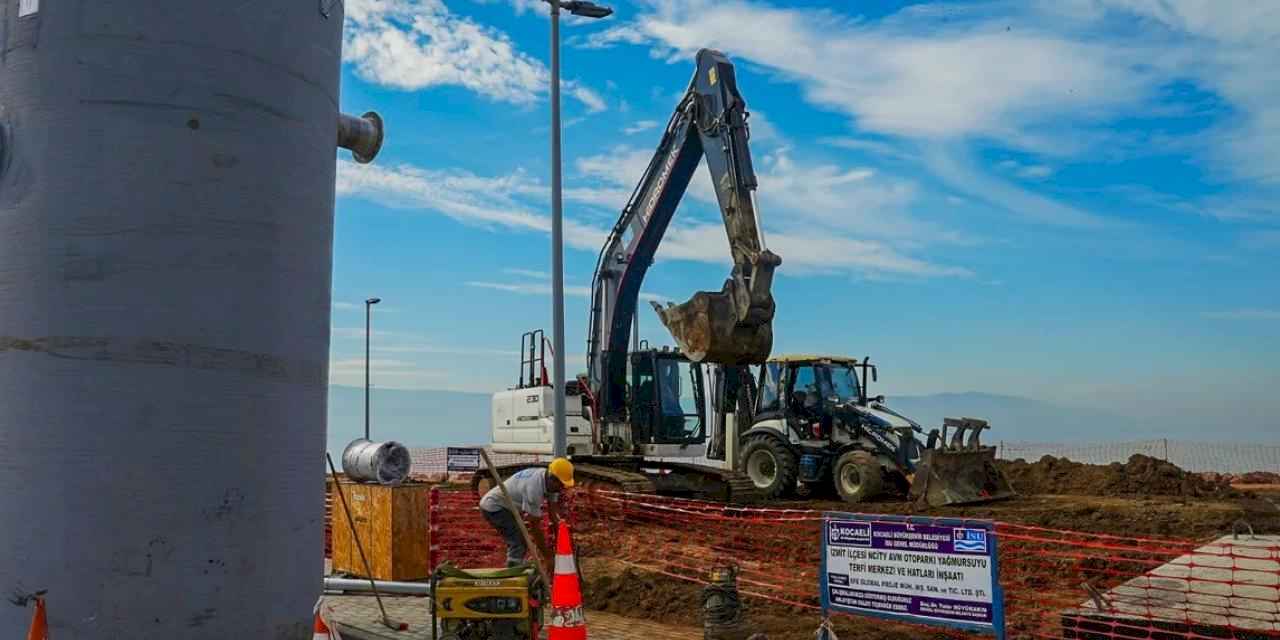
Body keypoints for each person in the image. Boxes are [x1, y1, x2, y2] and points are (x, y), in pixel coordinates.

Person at [479, 457, 575, 567]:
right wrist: (548, 557)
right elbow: (534, 527)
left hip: (510, 506)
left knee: (521, 539)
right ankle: (514, 571)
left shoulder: (549, 481)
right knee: (519, 541)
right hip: (494, 507)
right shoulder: (534, 489)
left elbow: (553, 513)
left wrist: (562, 540)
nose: (562, 488)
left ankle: (517, 563)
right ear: (552, 479)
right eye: (561, 484)